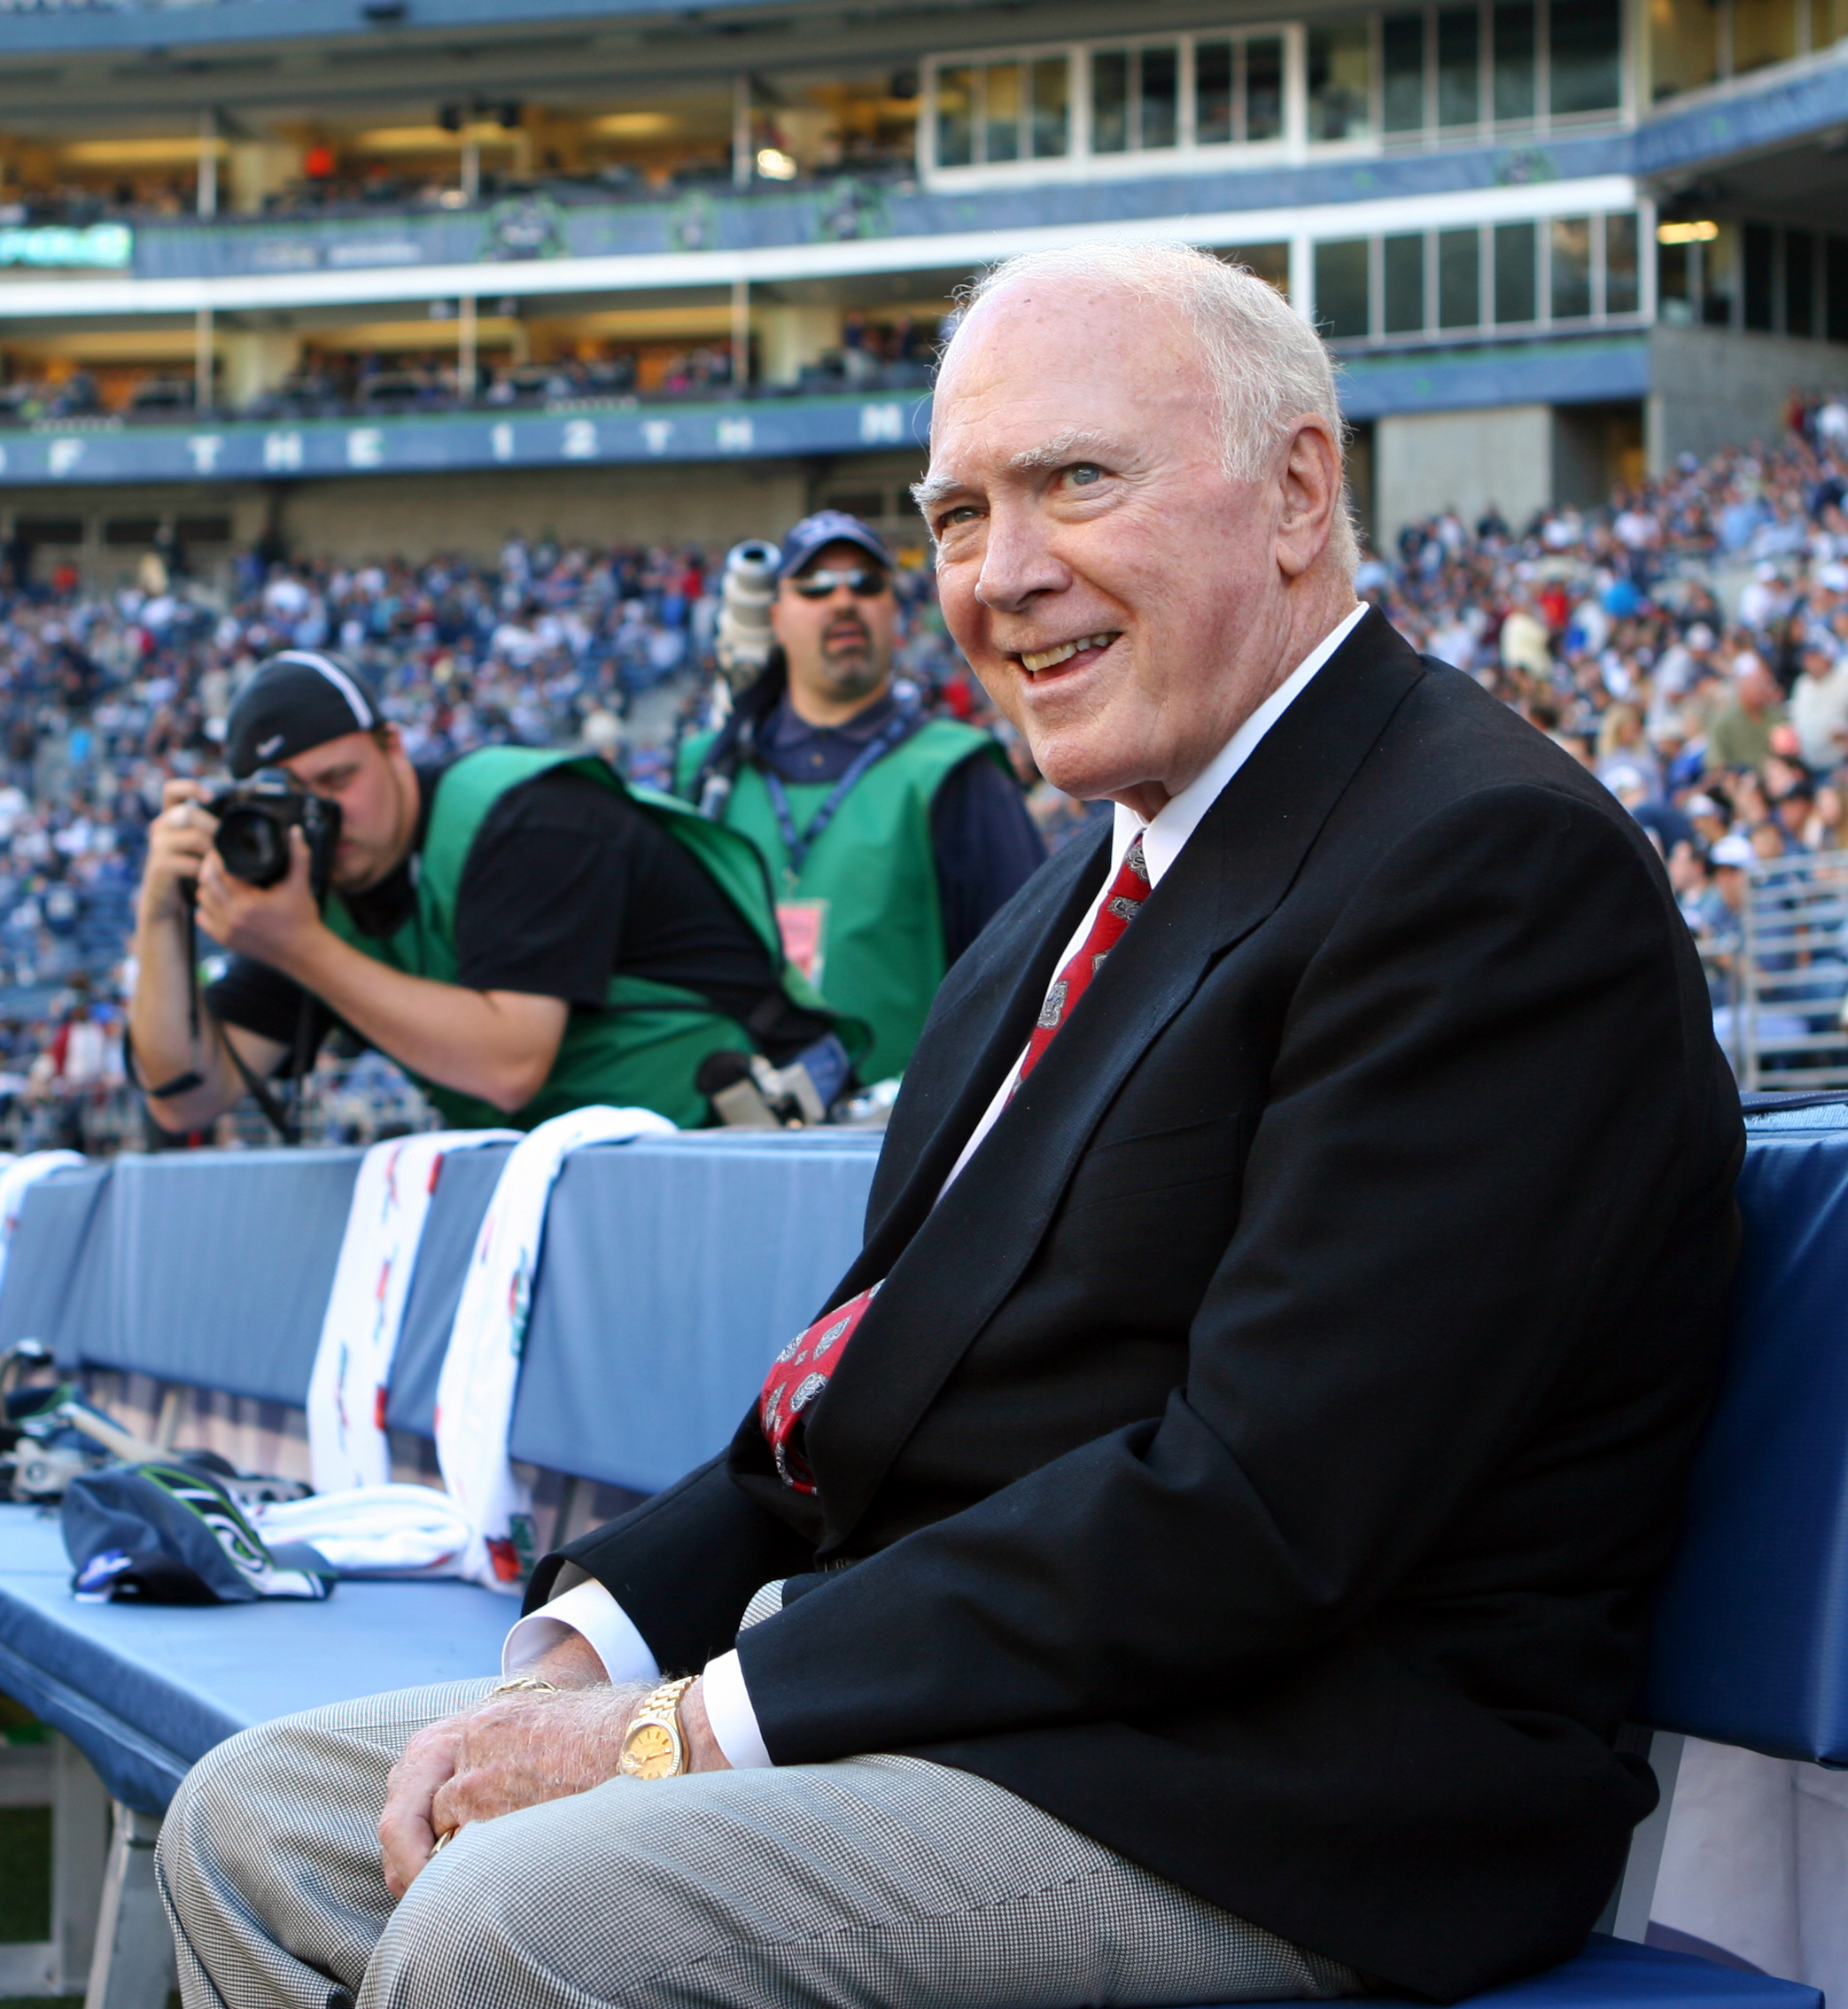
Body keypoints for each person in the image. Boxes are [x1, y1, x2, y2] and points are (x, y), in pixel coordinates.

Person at [156, 242, 1741, 2009]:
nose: (1000, 577)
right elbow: (844, 1414)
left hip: (1278, 1784)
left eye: (1075, 480)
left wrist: (681, 1731)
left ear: (1296, 492)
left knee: (519, 1921)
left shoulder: (1481, 865)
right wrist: (577, 1646)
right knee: (259, 1823)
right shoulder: (1062, 906)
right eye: (957, 512)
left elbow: (1260, 1512)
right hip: (993, 1698)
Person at [127, 650, 854, 1135]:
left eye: (338, 781)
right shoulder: (309, 892)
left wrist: (300, 948)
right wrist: (160, 914)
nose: (324, 818)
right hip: (638, 1147)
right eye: (294, 800)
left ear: (392, 749)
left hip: (760, 1113)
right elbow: (185, 1096)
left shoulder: (520, 814)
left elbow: (508, 1064)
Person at [679, 510, 1046, 1080]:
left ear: (892, 613)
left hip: (894, 1146)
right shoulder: (707, 771)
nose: (844, 600)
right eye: (817, 586)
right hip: (720, 1134)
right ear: (775, 616)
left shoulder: (957, 770)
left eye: (867, 584)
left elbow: (1026, 988)